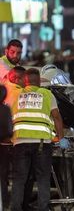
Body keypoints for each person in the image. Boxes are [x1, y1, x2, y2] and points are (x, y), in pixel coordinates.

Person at [10, 68, 67, 211]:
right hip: (42, 143)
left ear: (26, 81)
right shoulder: (47, 94)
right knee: (43, 179)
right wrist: (61, 138)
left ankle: (15, 208)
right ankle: (43, 208)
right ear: (39, 81)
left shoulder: (16, 95)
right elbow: (57, 117)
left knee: (19, 179)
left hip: (20, 142)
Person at [0, 66, 25, 208]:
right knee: (18, 176)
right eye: (23, 79)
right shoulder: (20, 93)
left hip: (4, 144)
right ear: (16, 78)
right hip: (14, 141)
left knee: (2, 177)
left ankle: (4, 203)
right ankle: (17, 205)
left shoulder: (4, 89)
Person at [0, 85, 13, 208]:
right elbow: (10, 130)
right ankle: (4, 203)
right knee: (2, 177)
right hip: (3, 146)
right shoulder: (5, 109)